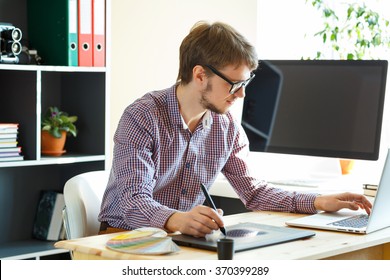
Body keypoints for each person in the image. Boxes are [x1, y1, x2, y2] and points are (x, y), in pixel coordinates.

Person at [98, 21, 372, 237]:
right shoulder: (143, 116)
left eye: (245, 84)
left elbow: (253, 192)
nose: (240, 95)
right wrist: (178, 219)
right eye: (234, 84)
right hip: (122, 238)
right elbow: (133, 204)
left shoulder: (225, 126)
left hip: (179, 239)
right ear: (200, 75)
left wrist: (318, 202)